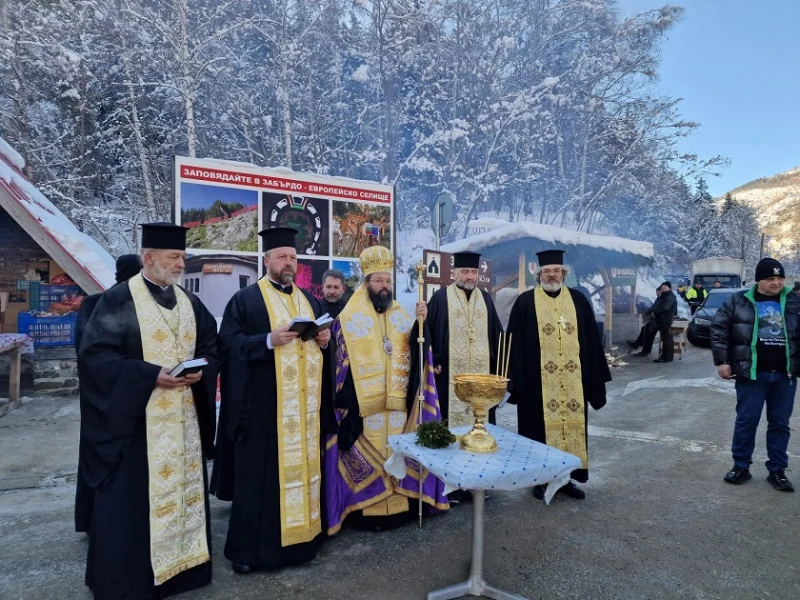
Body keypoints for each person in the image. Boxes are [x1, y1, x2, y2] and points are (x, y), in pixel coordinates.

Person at [77, 223, 220, 600]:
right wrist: (149, 375)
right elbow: (96, 357)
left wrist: (201, 367)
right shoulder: (119, 299)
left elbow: (211, 342)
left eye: (183, 258)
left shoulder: (189, 302)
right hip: (136, 427)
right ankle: (131, 580)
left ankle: (184, 571)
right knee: (132, 504)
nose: (180, 265)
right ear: (149, 258)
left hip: (184, 420)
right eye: (174, 258)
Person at [211, 227, 337, 574]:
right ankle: (250, 552)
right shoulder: (247, 300)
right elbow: (228, 346)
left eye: (293, 257)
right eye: (281, 256)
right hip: (265, 410)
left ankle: (305, 543)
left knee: (305, 476)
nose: (288, 263)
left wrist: (324, 340)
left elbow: (318, 347)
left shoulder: (309, 301)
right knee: (259, 480)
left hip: (305, 413)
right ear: (265, 260)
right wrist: (267, 340)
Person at [325, 246, 448, 533]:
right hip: (363, 409)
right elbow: (339, 365)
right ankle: (365, 511)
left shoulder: (402, 315)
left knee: (396, 451)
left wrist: (422, 324)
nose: (384, 287)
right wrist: (348, 400)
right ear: (366, 283)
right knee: (370, 454)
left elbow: (420, 354)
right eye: (378, 281)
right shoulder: (346, 318)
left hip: (397, 408)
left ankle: (400, 506)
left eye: (388, 281)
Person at [506, 249, 610, 500]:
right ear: (538, 274)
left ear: (563, 274)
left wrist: (594, 379)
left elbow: (592, 343)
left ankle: (566, 479)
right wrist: (515, 382)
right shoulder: (525, 302)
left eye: (556, 271)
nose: (551, 275)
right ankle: (540, 480)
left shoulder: (578, 300)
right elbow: (514, 344)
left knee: (571, 430)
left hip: (573, 384)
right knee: (537, 433)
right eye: (546, 271)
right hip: (536, 385)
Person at [711, 257, 800, 492]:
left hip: (784, 376)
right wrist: (722, 362)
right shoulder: (738, 300)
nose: (776, 282)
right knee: (746, 422)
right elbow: (719, 330)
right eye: (770, 278)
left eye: (780, 278)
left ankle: (777, 470)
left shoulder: (794, 302)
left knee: (780, 424)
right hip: (751, 374)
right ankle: (741, 466)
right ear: (759, 280)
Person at [74, 254, 142, 534]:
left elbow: (83, 351)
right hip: (123, 387)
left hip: (99, 391)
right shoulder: (116, 303)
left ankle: (93, 521)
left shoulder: (93, 302)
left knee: (97, 456)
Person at [425, 251, 504, 428]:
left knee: (483, 426)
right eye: (465, 272)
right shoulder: (440, 298)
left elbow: (496, 336)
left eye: (474, 272)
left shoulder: (485, 299)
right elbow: (427, 332)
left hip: (482, 376)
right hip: (448, 374)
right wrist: (434, 360)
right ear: (455, 273)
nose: (470, 277)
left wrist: (498, 369)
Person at [646, 281, 677, 363]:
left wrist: (655, 312)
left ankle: (665, 357)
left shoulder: (670, 296)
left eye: (664, 286)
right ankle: (668, 357)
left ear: (668, 287)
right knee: (667, 338)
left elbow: (666, 307)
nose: (662, 288)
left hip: (665, 319)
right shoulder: (665, 295)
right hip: (662, 319)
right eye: (662, 286)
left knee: (666, 339)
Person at [628, 287, 661, 356]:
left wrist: (653, 312)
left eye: (658, 292)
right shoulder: (659, 299)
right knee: (644, 329)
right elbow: (653, 307)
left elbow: (657, 308)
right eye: (656, 292)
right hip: (655, 319)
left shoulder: (663, 299)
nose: (656, 293)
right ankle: (637, 344)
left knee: (649, 333)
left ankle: (644, 350)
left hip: (659, 320)